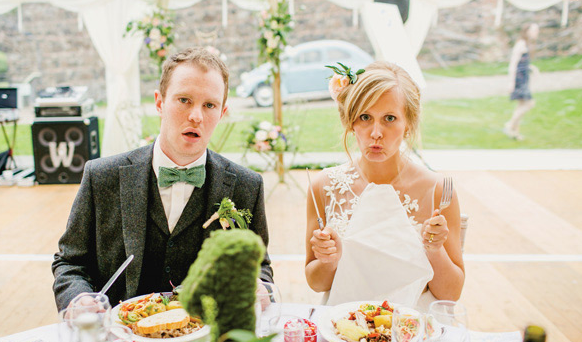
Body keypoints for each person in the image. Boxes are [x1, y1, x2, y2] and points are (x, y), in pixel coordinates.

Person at [52, 47, 273, 312]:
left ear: (222, 113)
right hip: (121, 338)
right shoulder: (102, 177)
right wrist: (79, 300)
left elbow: (259, 267)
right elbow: (71, 263)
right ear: (159, 102)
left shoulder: (246, 186)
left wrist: (259, 288)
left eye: (209, 105)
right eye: (184, 100)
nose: (196, 116)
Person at [305, 61, 464, 308]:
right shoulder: (323, 187)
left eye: (390, 118)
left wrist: (434, 249)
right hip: (342, 327)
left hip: (411, 330)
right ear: (350, 121)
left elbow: (450, 294)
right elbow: (316, 283)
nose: (376, 132)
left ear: (408, 123)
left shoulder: (438, 190)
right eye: (365, 117)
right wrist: (328, 261)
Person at [504, 23, 540, 140]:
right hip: (519, 79)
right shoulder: (520, 44)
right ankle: (510, 124)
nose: (536, 33)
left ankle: (515, 133)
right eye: (534, 30)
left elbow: (522, 63)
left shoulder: (526, 44)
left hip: (523, 78)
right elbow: (513, 64)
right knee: (529, 103)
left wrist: (531, 68)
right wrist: (511, 82)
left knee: (520, 105)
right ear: (527, 31)